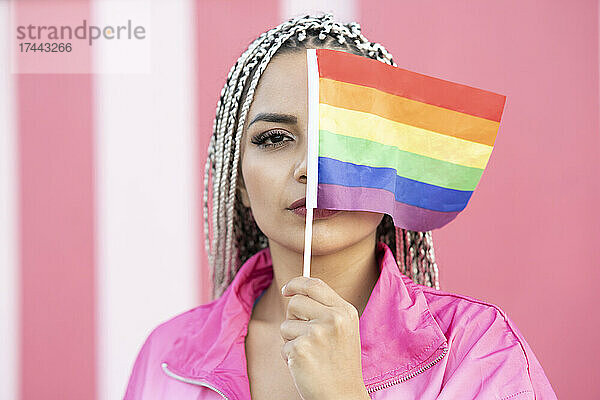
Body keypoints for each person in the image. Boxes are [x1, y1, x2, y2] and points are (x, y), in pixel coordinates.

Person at [124, 13, 557, 400]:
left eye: (348, 135)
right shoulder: (165, 356)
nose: (311, 168)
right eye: (274, 138)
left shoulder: (479, 348)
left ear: (395, 164)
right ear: (237, 181)